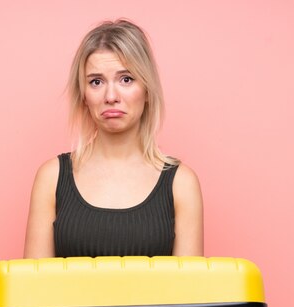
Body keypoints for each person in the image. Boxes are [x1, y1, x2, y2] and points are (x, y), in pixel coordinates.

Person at [24, 19, 204, 259]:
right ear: (84, 95)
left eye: (126, 79)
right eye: (96, 82)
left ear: (147, 89)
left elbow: (191, 292)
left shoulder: (181, 183)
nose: (110, 96)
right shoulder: (52, 178)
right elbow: (32, 289)